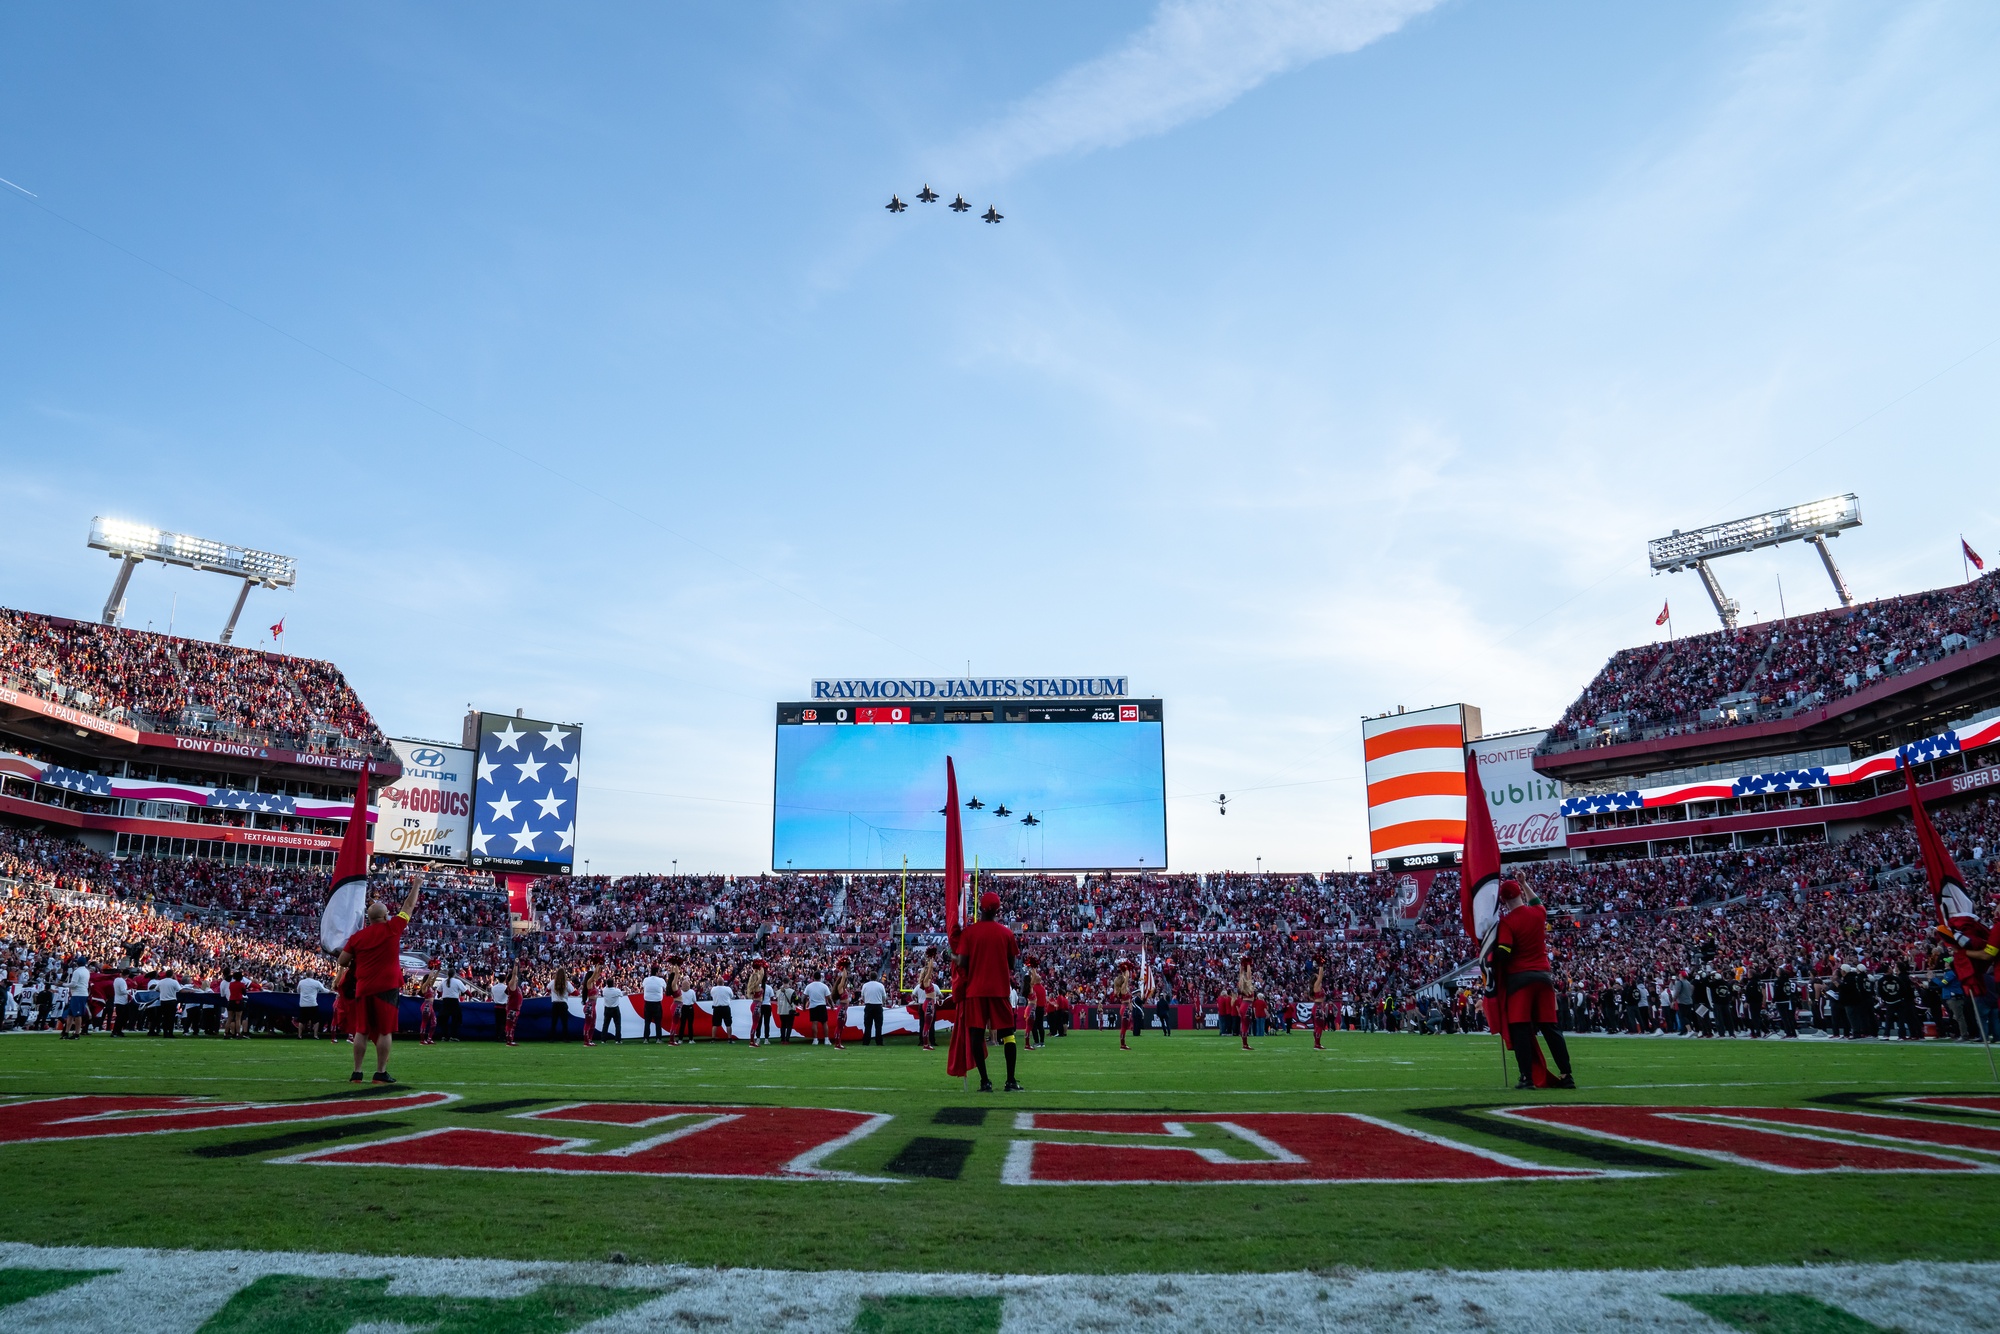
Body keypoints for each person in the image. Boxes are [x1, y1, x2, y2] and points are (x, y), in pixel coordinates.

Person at [334, 874, 421, 1084]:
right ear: (384, 917)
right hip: (387, 987)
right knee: (384, 1030)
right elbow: (408, 906)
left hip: (363, 987)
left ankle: (357, 1072)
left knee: (361, 1030)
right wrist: (416, 885)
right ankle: (380, 1073)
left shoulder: (358, 937)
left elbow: (343, 961)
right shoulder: (392, 929)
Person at [1492, 878, 1575, 1090]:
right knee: (1551, 1028)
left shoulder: (1507, 922)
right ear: (1520, 893)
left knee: (1520, 1029)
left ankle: (1527, 1077)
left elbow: (1505, 951)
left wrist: (1489, 957)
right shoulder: (1538, 913)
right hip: (1544, 976)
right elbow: (1536, 901)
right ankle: (1567, 1075)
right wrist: (1525, 882)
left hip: (1520, 979)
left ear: (1502, 899)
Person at [952, 889, 1022, 1093]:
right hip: (999, 989)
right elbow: (1011, 963)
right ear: (998, 910)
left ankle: (985, 1081)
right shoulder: (1007, 933)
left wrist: (952, 956)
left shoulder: (969, 933)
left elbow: (962, 962)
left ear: (980, 908)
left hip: (975, 990)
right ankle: (1010, 1081)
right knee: (1008, 1034)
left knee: (976, 1034)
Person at [64, 957, 92, 1039]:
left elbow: (73, 984)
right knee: (70, 1014)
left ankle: (76, 1033)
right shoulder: (87, 971)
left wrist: (63, 984)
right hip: (81, 993)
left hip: (78, 994)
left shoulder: (77, 971)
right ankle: (66, 1032)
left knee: (77, 1014)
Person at [435, 966, 465, 1042]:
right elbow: (465, 991)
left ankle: (444, 1036)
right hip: (454, 1002)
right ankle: (453, 1036)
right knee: (456, 1020)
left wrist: (441, 995)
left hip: (445, 1001)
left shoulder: (444, 981)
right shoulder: (457, 981)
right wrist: (471, 996)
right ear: (454, 974)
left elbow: (438, 990)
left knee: (444, 1020)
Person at [744, 958, 769, 1047]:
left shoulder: (754, 985)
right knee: (755, 1024)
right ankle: (751, 1041)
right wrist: (762, 968)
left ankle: (752, 1041)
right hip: (757, 1005)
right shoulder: (756, 982)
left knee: (756, 1023)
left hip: (755, 1004)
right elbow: (760, 977)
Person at [1111, 960, 1136, 1050]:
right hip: (1125, 1008)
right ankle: (1122, 1045)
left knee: (1124, 1027)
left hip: (1124, 1007)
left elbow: (1123, 978)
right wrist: (1127, 968)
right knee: (1123, 1028)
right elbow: (1127, 977)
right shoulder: (1123, 988)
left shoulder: (1118, 988)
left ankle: (1123, 1044)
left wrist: (1123, 970)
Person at [640, 965, 668, 1044]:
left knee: (647, 1022)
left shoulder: (646, 980)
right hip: (657, 1003)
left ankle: (646, 1039)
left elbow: (643, 987)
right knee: (658, 1022)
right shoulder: (661, 980)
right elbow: (666, 989)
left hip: (648, 1003)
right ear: (657, 972)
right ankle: (658, 1039)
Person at [804, 971, 832, 1046]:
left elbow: (804, 997)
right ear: (820, 977)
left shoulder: (809, 986)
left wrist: (804, 1006)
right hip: (822, 1005)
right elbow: (828, 998)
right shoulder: (824, 986)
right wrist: (832, 1005)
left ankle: (815, 1040)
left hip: (813, 1006)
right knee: (824, 1023)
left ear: (813, 977)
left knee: (814, 1023)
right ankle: (826, 1039)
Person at [860, 972, 887, 1046]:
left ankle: (866, 1042)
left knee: (868, 1025)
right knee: (878, 1025)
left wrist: (867, 1001)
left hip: (868, 1005)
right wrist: (882, 1002)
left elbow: (862, 996)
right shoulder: (880, 985)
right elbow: (884, 997)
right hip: (878, 1005)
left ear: (869, 977)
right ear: (876, 977)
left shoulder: (865, 985)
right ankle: (879, 1042)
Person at [550, 967, 576, 1042]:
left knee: (554, 1022)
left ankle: (552, 1038)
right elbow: (572, 991)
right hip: (563, 1003)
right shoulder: (567, 983)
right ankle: (565, 1038)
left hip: (555, 1003)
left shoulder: (552, 982)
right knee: (564, 1022)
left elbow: (547, 988)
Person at [709, 972, 736, 1042]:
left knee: (715, 1024)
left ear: (717, 982)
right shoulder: (727, 989)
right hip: (725, 1007)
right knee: (728, 1024)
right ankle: (729, 1038)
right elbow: (731, 996)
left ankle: (713, 1039)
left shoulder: (713, 989)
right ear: (723, 982)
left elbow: (712, 996)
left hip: (717, 1008)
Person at [676, 964, 698, 1045]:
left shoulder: (680, 991)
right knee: (690, 1025)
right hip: (690, 1008)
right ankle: (691, 1039)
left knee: (682, 1024)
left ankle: (680, 1039)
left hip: (683, 1008)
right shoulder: (692, 991)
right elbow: (694, 1001)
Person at [298, 972, 325, 1040]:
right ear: (312, 975)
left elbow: (298, 991)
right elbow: (323, 990)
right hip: (312, 1004)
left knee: (301, 1021)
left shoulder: (301, 982)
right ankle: (315, 1035)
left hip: (303, 1004)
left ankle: (299, 1035)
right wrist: (331, 991)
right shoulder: (316, 982)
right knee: (316, 1021)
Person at [504, 961, 525, 1047]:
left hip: (515, 1009)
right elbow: (514, 974)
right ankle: (509, 1040)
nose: (517, 978)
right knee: (510, 1025)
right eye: (515, 977)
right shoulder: (511, 985)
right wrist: (516, 964)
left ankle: (510, 1040)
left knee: (512, 1025)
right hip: (512, 1009)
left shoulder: (516, 987)